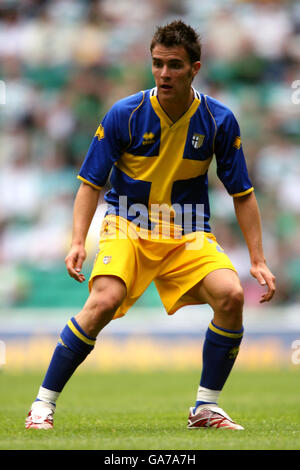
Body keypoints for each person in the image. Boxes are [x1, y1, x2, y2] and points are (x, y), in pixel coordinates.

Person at [25, 20, 275, 430]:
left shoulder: (218, 120)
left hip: (188, 231)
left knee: (231, 296)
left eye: (174, 65)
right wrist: (76, 241)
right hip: (128, 224)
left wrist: (259, 260)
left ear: (195, 68)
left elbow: (243, 194)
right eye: (157, 64)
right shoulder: (125, 113)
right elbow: (90, 184)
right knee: (103, 302)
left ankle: (205, 408)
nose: (163, 74)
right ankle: (42, 405)